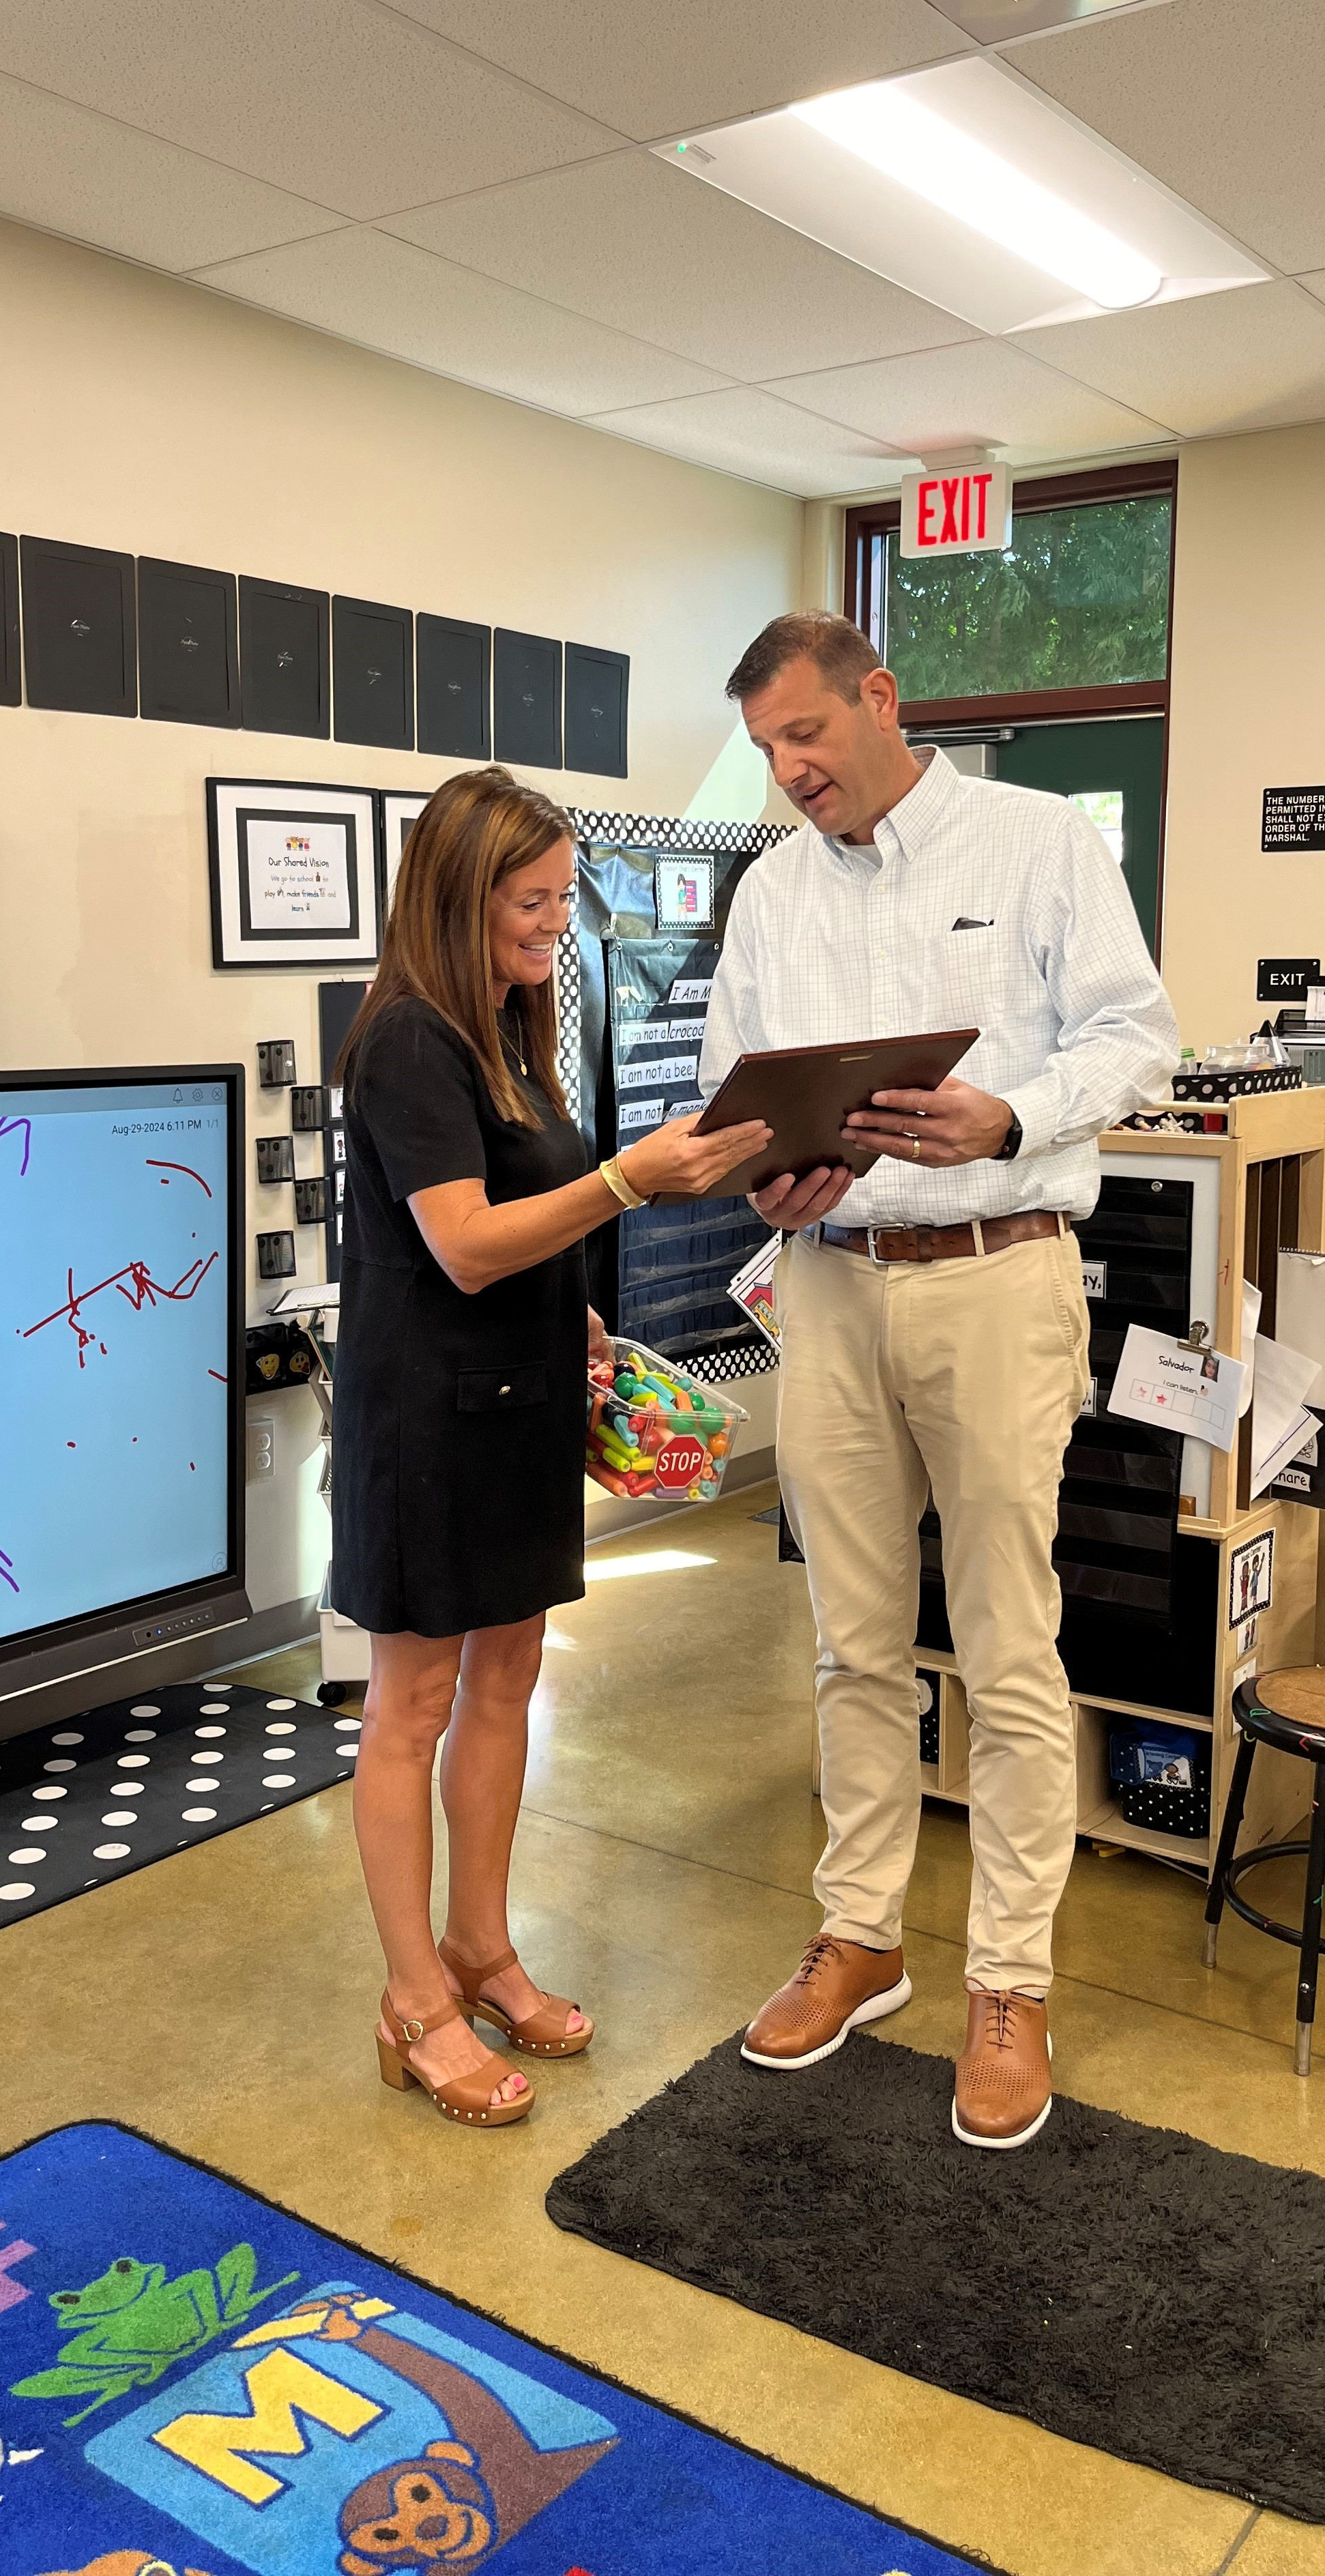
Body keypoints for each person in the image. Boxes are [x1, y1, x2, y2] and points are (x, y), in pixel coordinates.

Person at [699, 613, 1177, 2149]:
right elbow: (735, 1091)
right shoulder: (772, 891)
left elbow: (1137, 1039)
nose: (789, 774)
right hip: (831, 1286)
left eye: (805, 738)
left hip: (999, 1273)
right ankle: (863, 1936)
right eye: (769, 752)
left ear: (877, 700)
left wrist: (1016, 1115)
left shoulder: (1037, 842)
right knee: (851, 1641)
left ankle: (1012, 1982)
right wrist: (757, 1177)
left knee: (1007, 1636)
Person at [334, 767, 773, 2130]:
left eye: (562, 896)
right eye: (531, 902)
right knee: (410, 1707)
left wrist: (575, 1310)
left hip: (522, 1402)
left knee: (509, 1678)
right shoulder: (410, 1039)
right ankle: (414, 1997)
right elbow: (459, 1244)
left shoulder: (514, 1030)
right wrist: (635, 1177)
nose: (555, 923)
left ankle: (481, 1945)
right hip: (428, 1421)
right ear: (461, 900)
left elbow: (519, 1210)